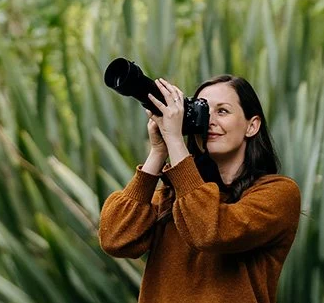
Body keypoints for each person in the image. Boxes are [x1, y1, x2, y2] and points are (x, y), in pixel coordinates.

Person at [98, 75, 301, 303]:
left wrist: (175, 140)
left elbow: (210, 233)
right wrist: (158, 151)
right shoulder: (174, 196)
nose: (209, 121)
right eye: (203, 110)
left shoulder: (278, 193)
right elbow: (115, 239)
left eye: (222, 111)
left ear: (252, 126)